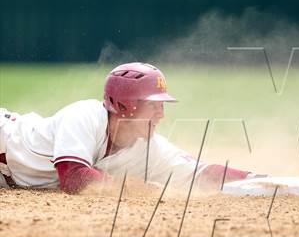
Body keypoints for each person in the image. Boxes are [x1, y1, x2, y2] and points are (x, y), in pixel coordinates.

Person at [0, 62, 256, 193]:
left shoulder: (147, 148)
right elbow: (74, 177)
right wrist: (135, 189)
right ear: (124, 105)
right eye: (153, 105)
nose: (161, 114)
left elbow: (199, 173)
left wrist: (252, 179)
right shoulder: (85, 115)